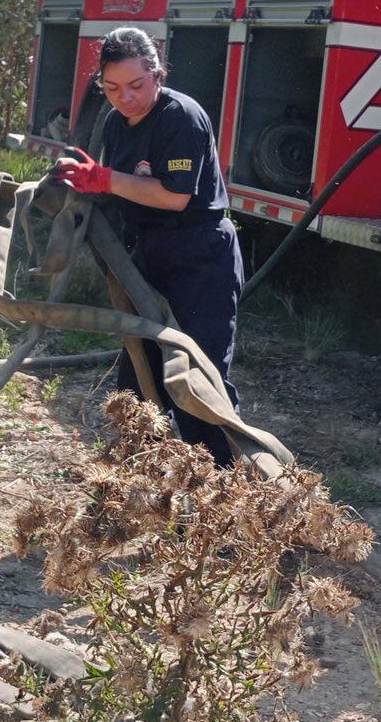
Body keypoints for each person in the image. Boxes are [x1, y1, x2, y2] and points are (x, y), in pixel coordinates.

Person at [54, 27, 243, 464]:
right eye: (113, 88)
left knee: (197, 379)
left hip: (199, 258)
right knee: (139, 381)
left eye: (137, 85)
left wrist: (105, 178)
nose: (125, 98)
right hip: (148, 257)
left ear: (158, 75)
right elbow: (122, 190)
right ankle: (144, 485)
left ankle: (223, 488)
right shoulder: (117, 124)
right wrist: (82, 185)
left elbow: (174, 196)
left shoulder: (181, 117)